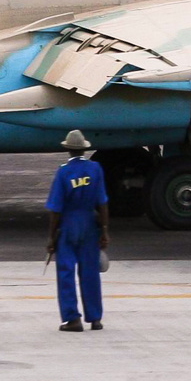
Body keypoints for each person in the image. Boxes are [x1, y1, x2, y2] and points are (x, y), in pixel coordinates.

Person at [45, 130, 110, 332]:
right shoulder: (95, 169)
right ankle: (95, 318)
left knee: (66, 272)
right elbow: (103, 203)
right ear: (84, 148)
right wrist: (105, 230)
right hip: (90, 224)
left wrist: (51, 236)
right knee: (90, 272)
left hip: (69, 224)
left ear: (68, 150)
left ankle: (73, 319)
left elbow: (56, 209)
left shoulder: (63, 172)